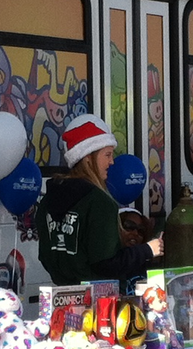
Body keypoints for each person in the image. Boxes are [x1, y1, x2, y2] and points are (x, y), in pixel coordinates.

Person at [35, 113, 164, 285]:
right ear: (88, 158)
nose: (112, 162)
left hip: (59, 297)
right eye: (108, 155)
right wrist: (148, 249)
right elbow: (106, 264)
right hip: (97, 302)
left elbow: (45, 257)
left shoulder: (47, 200)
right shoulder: (99, 202)